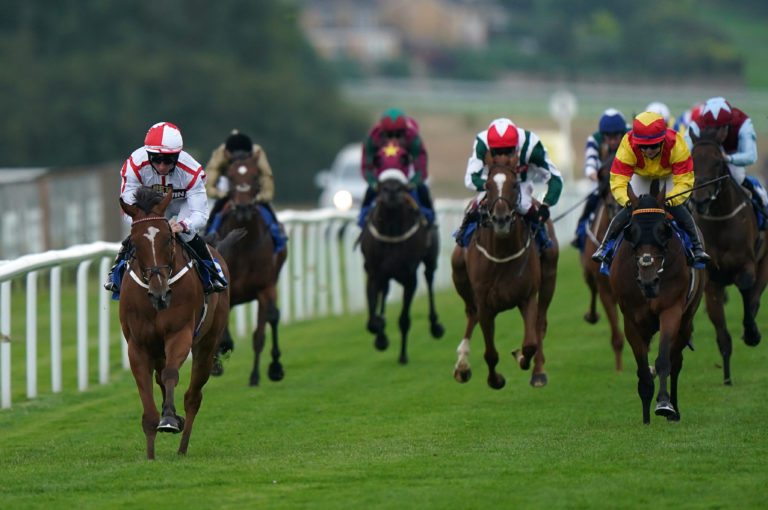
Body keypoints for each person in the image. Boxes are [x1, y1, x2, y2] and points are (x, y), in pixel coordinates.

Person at [103, 121, 227, 294]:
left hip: (183, 203)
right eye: (156, 159)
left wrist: (183, 225)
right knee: (142, 233)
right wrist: (145, 222)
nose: (162, 166)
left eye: (168, 160)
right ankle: (116, 273)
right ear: (148, 155)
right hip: (152, 206)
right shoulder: (134, 165)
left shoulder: (191, 171)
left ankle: (213, 272)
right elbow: (128, 207)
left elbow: (200, 214)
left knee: (187, 235)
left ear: (178, 155)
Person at [592, 111, 710, 265]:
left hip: (667, 175)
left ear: (662, 141)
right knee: (629, 209)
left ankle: (697, 247)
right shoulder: (628, 143)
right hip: (641, 175)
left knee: (676, 207)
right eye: (643, 146)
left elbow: (684, 180)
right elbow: (618, 179)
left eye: (653, 146)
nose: (648, 151)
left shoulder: (676, 143)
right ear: (636, 142)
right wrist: (628, 201)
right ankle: (605, 247)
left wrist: (672, 199)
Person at [456, 117, 563, 246]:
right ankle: (463, 237)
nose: (503, 157)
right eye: (497, 152)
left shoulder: (531, 144)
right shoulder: (482, 143)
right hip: (492, 182)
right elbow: (470, 178)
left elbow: (555, 178)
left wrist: (546, 204)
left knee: (523, 204)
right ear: (490, 148)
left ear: (517, 145)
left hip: (520, 182)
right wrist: (488, 185)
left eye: (508, 151)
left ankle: (543, 238)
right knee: (475, 206)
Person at [686, 96, 768, 223]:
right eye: (710, 129)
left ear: (728, 126)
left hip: (732, 155)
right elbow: (685, 152)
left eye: (719, 128)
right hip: (708, 158)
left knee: (738, 177)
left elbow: (751, 156)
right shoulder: (697, 124)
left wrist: (728, 158)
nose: (715, 133)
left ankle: (762, 217)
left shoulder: (743, 123)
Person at [203, 130, 286, 249]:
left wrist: (260, 197)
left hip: (251, 186)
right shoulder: (220, 155)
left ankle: (277, 234)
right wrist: (222, 194)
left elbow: (267, 180)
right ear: (228, 155)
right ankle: (208, 233)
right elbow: (208, 184)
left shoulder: (258, 154)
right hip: (230, 185)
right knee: (217, 209)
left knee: (267, 208)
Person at [359, 108, 435, 227]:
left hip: (406, 178)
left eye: (398, 135)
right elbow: (366, 167)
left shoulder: (413, 138)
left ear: (405, 133)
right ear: (382, 133)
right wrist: (374, 183)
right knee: (369, 194)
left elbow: (421, 169)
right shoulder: (372, 138)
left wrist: (412, 184)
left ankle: (430, 224)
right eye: (389, 135)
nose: (393, 139)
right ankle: (362, 223)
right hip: (382, 179)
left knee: (423, 190)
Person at [571, 108, 628, 249]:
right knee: (592, 199)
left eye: (617, 136)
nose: (614, 141)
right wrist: (596, 177)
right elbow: (590, 164)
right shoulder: (594, 139)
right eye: (609, 137)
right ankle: (580, 231)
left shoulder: (630, 135)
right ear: (603, 136)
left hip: (627, 181)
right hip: (603, 182)